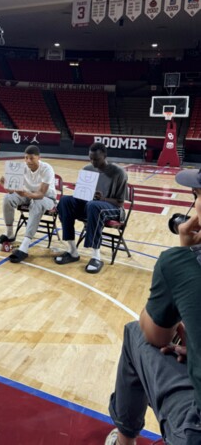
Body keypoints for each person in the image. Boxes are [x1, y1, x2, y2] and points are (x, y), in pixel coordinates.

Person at [105, 168, 201, 445]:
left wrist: (185, 252)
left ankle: (124, 439)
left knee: (135, 333)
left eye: (196, 196)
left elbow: (155, 335)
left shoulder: (180, 263)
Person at [55, 142, 127, 274]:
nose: (93, 162)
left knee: (93, 205)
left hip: (113, 208)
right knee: (65, 201)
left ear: (105, 156)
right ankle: (72, 251)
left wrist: (103, 199)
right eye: (91, 159)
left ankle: (96, 257)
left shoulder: (118, 172)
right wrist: (80, 190)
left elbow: (120, 203)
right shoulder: (87, 169)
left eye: (97, 159)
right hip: (90, 206)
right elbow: (83, 196)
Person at [0, 145, 56, 263]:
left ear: (38, 157)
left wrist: (25, 194)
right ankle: (10, 234)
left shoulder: (47, 169)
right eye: (26, 158)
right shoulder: (21, 168)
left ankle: (24, 246)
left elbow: (41, 194)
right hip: (28, 195)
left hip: (47, 199)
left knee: (36, 202)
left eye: (31, 158)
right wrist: (4, 184)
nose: (28, 161)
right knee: (8, 198)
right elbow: (11, 192)